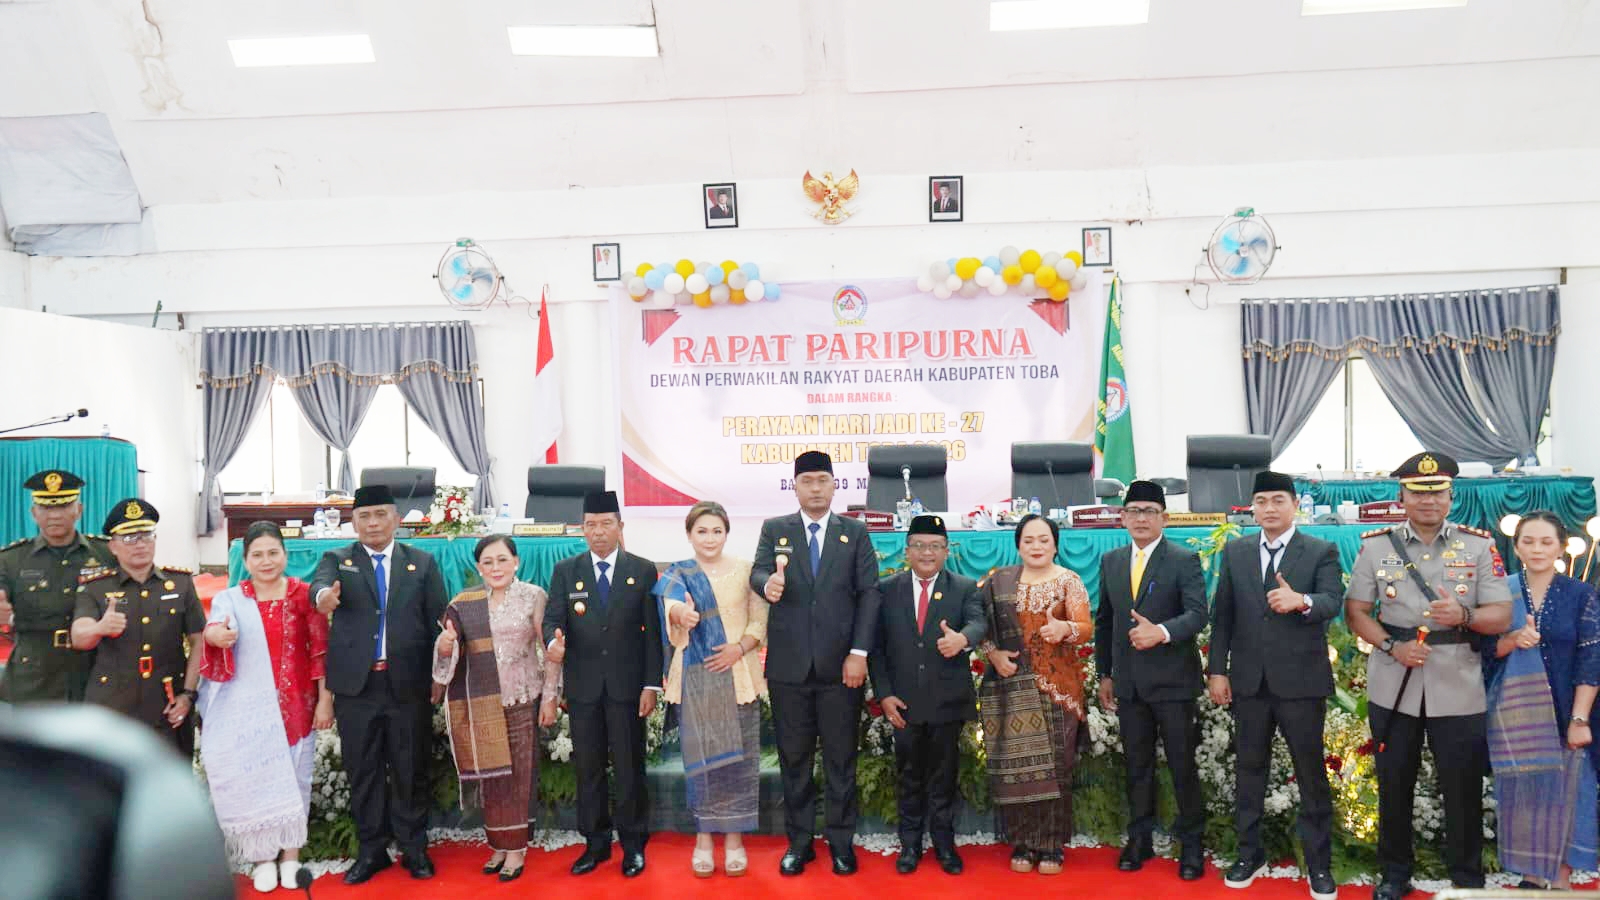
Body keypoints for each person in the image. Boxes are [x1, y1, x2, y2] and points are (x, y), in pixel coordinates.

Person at [1344, 452, 1512, 898]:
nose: (1428, 500)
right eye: (1418, 492)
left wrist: (1464, 613)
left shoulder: (1478, 546)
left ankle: (1467, 875)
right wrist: (1390, 645)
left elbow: (1501, 615)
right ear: (1401, 496)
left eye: (1437, 491)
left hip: (1457, 684)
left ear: (1451, 496)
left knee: (1462, 787)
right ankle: (1395, 874)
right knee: (1394, 781)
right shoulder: (1376, 546)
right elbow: (1356, 611)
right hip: (1394, 681)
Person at [1206, 471, 1345, 900]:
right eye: (1261, 501)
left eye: (1278, 500)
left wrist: (1300, 601)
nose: (1269, 508)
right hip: (1249, 682)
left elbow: (1332, 602)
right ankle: (1250, 853)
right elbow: (1223, 615)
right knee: (1249, 771)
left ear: (1294, 505)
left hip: (1301, 682)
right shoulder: (1237, 551)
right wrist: (1217, 671)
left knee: (1309, 774)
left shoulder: (1320, 550)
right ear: (1253, 507)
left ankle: (1318, 864)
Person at [751, 450, 882, 876]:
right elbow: (758, 571)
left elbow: (870, 595)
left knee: (841, 759)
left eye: (822, 480)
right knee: (794, 759)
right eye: (806, 480)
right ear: (795, 486)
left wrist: (859, 653)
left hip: (841, 668)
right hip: (789, 670)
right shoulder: (776, 530)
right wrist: (766, 583)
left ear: (834, 485)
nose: (815, 488)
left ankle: (842, 843)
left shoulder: (855, 534)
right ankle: (800, 843)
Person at [310, 484, 448, 884]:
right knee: (363, 770)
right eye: (364, 516)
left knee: (410, 767)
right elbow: (319, 589)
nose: (372, 523)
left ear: (396, 519)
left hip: (407, 684)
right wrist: (323, 599)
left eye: (380, 515)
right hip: (357, 688)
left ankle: (413, 847)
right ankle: (372, 851)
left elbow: (441, 619)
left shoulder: (421, 563)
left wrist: (440, 673)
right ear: (353, 522)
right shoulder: (337, 559)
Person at [198, 520, 334, 893]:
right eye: (257, 554)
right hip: (248, 710)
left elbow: (321, 652)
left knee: (295, 780)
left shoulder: (304, 595)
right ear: (246, 560)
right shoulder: (231, 599)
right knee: (256, 781)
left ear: (285, 556)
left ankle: (291, 857)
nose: (266, 561)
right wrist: (216, 636)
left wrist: (325, 701)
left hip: (298, 704)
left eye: (273, 552)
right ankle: (262, 858)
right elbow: (213, 631)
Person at [543, 490, 662, 878]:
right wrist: (552, 643)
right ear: (582, 529)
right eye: (590, 525)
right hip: (584, 688)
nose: (598, 532)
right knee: (588, 768)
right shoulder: (566, 570)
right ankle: (595, 843)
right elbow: (552, 621)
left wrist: (650, 685)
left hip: (628, 688)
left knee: (629, 767)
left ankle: (632, 844)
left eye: (606, 523)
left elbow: (651, 634)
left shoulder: (642, 570)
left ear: (620, 527)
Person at [1093, 479, 1208, 880]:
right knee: (1136, 765)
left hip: (1174, 683)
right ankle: (1138, 838)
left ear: (1164, 517)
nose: (1141, 518)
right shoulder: (1111, 561)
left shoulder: (1183, 559)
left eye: (1150, 511)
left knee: (1181, 765)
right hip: (1129, 684)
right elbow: (1105, 621)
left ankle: (1192, 844)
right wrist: (1104, 672)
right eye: (1134, 511)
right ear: (1122, 517)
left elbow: (1197, 615)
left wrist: (1159, 631)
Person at [432, 535, 562, 883]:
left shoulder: (534, 596)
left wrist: (549, 696)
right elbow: (449, 649)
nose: (496, 568)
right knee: (491, 777)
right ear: (478, 567)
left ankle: (516, 848)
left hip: (521, 696)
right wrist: (444, 646)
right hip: (481, 703)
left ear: (516, 561)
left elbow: (550, 652)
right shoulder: (466, 602)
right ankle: (498, 845)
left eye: (502, 560)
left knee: (519, 773)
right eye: (488, 562)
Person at [1482, 511, 1600, 889]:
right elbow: (1481, 652)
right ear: (1515, 547)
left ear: (1561, 547)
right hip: (1515, 712)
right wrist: (1512, 640)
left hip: (1569, 708)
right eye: (1528, 541)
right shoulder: (1500, 592)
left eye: (1546, 542)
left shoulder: (1582, 594)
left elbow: (1592, 656)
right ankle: (1532, 875)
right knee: (1527, 793)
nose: (1537, 549)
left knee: (1569, 792)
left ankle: (1562, 877)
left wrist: (1579, 719)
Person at [655, 501, 769, 878]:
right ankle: (704, 839)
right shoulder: (678, 573)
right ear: (689, 534)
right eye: (701, 531)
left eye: (716, 531)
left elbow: (759, 619)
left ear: (726, 533)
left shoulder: (746, 570)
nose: (709, 538)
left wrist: (740, 647)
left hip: (737, 674)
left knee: (738, 763)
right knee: (702, 765)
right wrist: (681, 616)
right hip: (697, 677)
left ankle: (734, 840)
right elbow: (672, 606)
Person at [871, 514, 985, 876]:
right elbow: (876, 648)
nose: (926, 552)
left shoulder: (965, 587)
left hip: (945, 702)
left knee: (943, 777)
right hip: (902, 704)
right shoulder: (886, 589)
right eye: (919, 545)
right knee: (908, 776)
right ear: (907, 551)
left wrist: (963, 639)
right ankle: (909, 845)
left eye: (935, 546)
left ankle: (944, 844)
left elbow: (979, 622)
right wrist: (884, 694)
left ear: (946, 551)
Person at [977, 514, 1090, 875]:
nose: (1037, 546)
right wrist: (992, 653)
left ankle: (1052, 845)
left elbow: (1087, 628)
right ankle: (1024, 843)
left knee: (1057, 767)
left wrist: (1066, 628)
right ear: (1018, 545)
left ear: (1056, 544)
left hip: (1058, 688)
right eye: (1029, 540)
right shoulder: (999, 582)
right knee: (1019, 767)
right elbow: (977, 623)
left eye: (1044, 540)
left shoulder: (1069, 581)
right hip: (1011, 687)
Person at [71, 498, 205, 755]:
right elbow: (79, 636)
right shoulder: (96, 587)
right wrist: (99, 627)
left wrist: (188, 694)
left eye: (146, 535)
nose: (140, 544)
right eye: (129, 538)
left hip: (166, 703)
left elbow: (198, 641)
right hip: (112, 707)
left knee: (169, 780)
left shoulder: (180, 584)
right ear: (112, 546)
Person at [0, 470, 110, 703]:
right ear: (33, 513)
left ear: (78, 510)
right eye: (46, 508)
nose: (55, 515)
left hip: (92, 670)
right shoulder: (11, 559)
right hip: (34, 675)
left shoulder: (106, 553)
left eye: (63, 506)